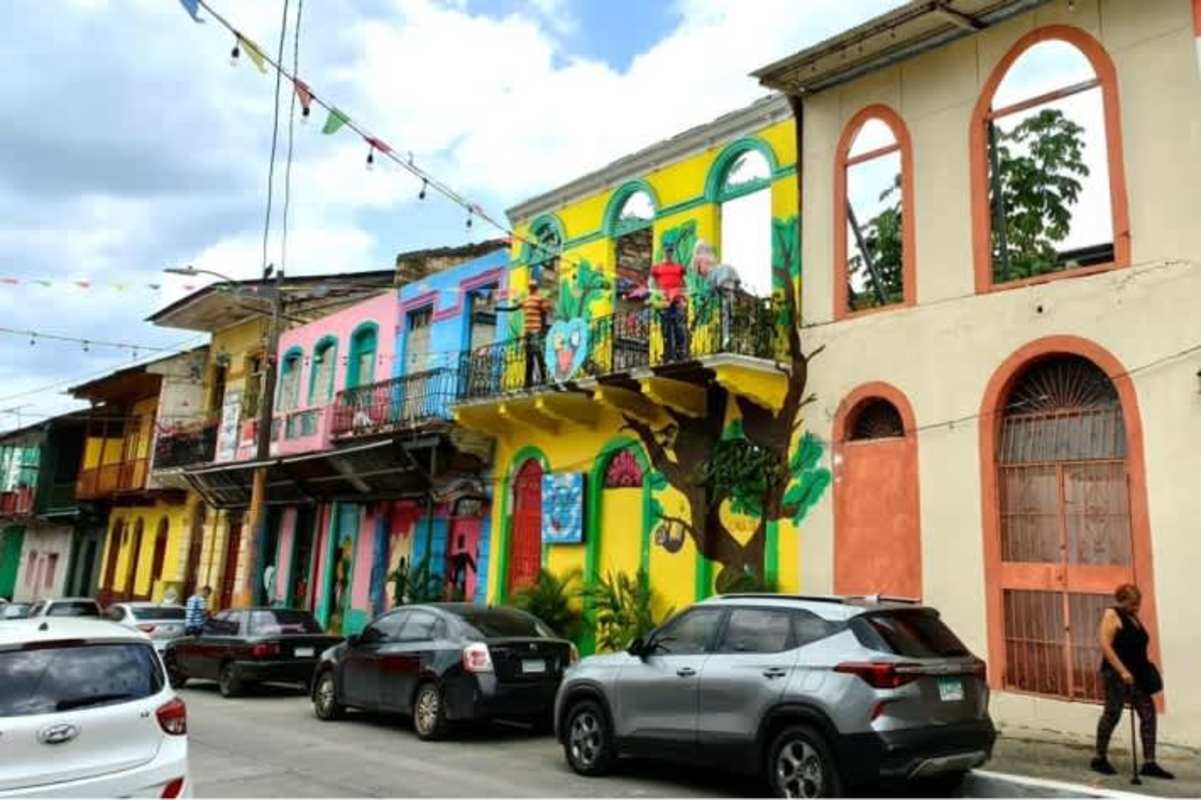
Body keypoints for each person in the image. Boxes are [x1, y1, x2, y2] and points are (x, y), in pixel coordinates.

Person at [1092, 583, 1173, 779]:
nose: (1136, 608)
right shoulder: (1112, 614)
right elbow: (1105, 645)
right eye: (1132, 604)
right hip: (1116, 674)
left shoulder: (1132, 617)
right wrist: (1122, 671)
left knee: (1148, 714)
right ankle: (1099, 757)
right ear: (1122, 601)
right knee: (1113, 714)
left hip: (1139, 675)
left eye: (1138, 604)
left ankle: (1149, 763)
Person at [496, 280, 553, 387]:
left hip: (536, 330)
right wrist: (500, 309)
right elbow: (514, 308)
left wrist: (545, 311)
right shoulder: (526, 300)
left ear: (534, 288)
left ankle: (543, 379)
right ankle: (528, 382)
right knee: (529, 356)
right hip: (528, 332)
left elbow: (547, 310)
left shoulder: (539, 299)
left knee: (537, 355)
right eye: (531, 286)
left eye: (533, 286)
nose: (532, 288)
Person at [693, 241, 741, 349]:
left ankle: (727, 337)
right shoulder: (716, 263)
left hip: (723, 283)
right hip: (725, 283)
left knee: (726, 312)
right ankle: (728, 336)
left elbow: (702, 272)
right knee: (727, 311)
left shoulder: (703, 261)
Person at [650, 243, 687, 362]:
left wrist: (683, 295)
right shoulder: (657, 268)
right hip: (664, 300)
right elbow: (653, 283)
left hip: (676, 299)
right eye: (667, 251)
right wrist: (658, 295)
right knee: (666, 327)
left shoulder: (679, 267)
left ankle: (680, 351)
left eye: (671, 251)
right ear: (663, 252)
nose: (669, 253)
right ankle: (668, 353)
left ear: (673, 253)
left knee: (678, 326)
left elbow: (684, 282)